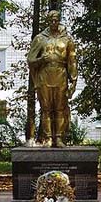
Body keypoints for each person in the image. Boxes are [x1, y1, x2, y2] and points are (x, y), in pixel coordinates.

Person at [27, 10, 77, 147]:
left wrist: (73, 80)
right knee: (46, 108)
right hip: (44, 76)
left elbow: (72, 61)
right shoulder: (40, 39)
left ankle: (59, 138)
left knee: (60, 108)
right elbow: (30, 60)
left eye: (56, 20)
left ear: (59, 20)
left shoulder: (67, 40)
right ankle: (48, 138)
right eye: (51, 21)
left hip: (61, 75)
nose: (54, 23)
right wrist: (42, 59)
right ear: (47, 21)